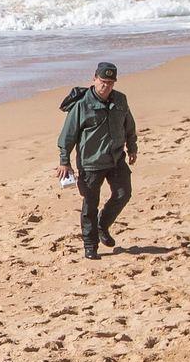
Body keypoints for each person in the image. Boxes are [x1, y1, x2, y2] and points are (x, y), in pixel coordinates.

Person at [56, 62, 139, 260]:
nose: (106, 86)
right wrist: (64, 161)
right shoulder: (82, 105)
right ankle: (90, 245)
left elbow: (129, 126)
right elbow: (68, 135)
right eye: (103, 81)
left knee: (123, 194)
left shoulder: (120, 100)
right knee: (90, 205)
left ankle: (103, 225)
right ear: (94, 79)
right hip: (91, 163)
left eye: (110, 83)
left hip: (116, 159)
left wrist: (132, 147)